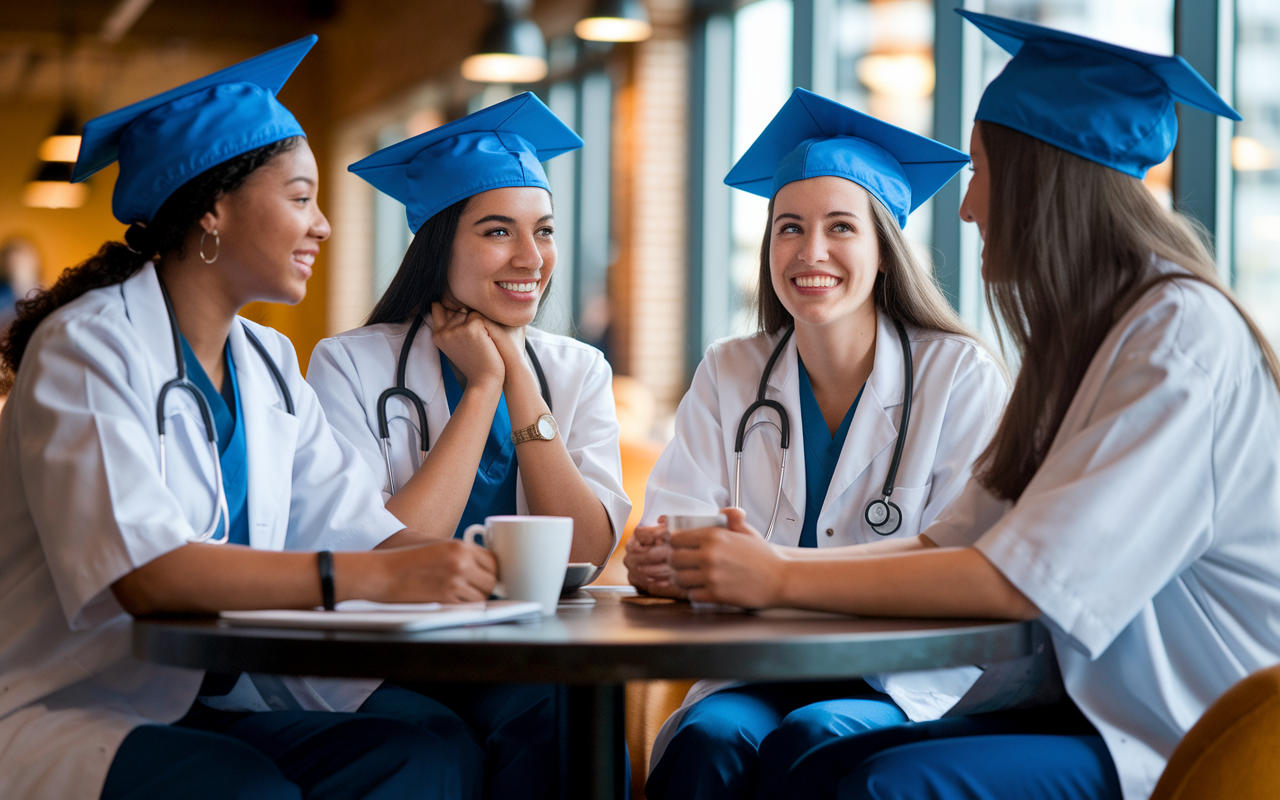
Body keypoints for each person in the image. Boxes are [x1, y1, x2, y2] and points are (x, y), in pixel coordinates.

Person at [664, 12, 1280, 800]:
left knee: (873, 784)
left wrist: (778, 578)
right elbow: (951, 541)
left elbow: (1023, 582)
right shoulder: (1085, 342)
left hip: (1178, 735)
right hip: (1078, 708)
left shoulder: (1177, 337)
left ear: (1038, 180)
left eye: (983, 173)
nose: (966, 208)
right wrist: (765, 567)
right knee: (811, 763)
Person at [0, 37, 497, 800]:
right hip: (71, 704)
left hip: (207, 699)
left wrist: (482, 582)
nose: (323, 225)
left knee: (425, 751)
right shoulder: (87, 346)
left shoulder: (265, 361)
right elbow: (146, 575)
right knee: (242, 788)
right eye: (301, 198)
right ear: (213, 210)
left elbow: (357, 528)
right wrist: (382, 572)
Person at [626, 88, 1013, 800]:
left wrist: (764, 570)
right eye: (788, 228)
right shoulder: (730, 370)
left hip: (900, 677)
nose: (811, 252)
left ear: (886, 252)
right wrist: (660, 560)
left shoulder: (959, 376)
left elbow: (967, 567)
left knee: (816, 737)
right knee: (708, 738)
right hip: (758, 665)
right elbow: (671, 529)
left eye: (841, 227)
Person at [305, 91, 631, 799]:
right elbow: (380, 550)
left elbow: (582, 553)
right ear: (438, 242)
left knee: (566, 732)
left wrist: (519, 382)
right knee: (434, 749)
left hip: (527, 662)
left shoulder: (576, 369)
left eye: (543, 231)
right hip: (387, 667)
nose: (530, 257)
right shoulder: (349, 364)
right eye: (496, 232)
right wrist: (480, 390)